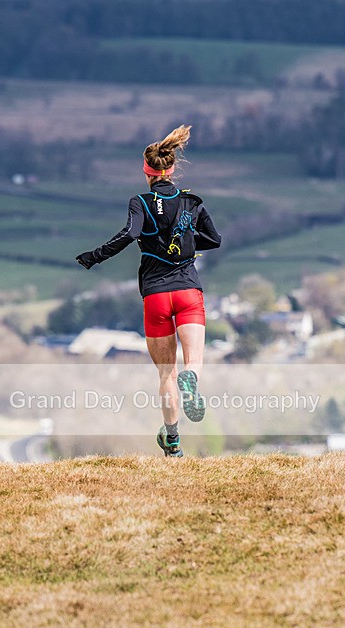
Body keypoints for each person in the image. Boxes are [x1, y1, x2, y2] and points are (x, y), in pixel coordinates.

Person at [76, 125, 221, 458]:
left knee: (165, 373)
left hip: (155, 295)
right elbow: (215, 240)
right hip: (188, 293)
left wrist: (94, 256)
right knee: (193, 362)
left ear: (147, 171)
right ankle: (193, 381)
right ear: (171, 169)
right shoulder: (192, 202)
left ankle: (172, 442)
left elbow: (129, 234)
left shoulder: (139, 202)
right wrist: (185, 243)